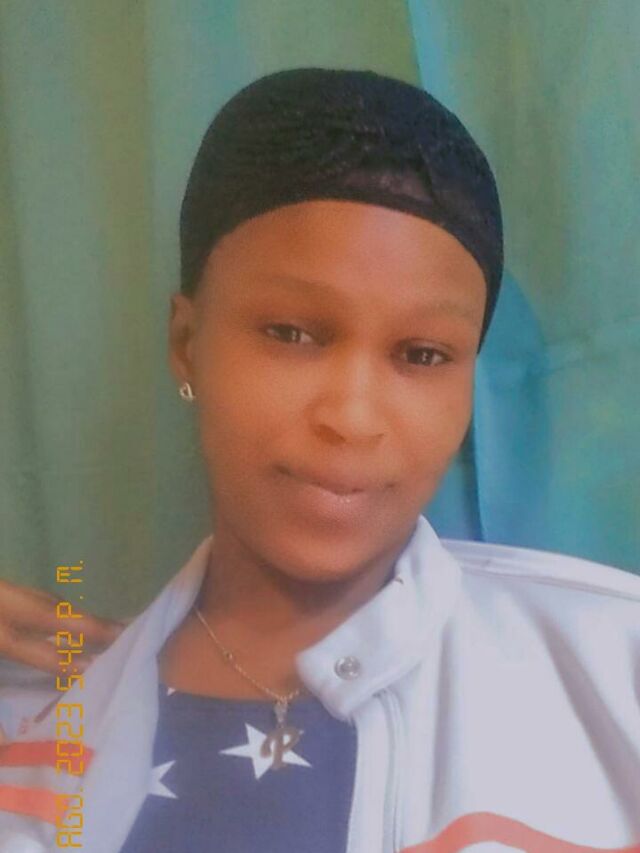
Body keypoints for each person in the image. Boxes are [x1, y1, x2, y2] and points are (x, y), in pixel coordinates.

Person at [0, 67, 639, 853]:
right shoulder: (41, 742)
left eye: (423, 353)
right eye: (292, 333)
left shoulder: (616, 677)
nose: (352, 417)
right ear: (186, 342)